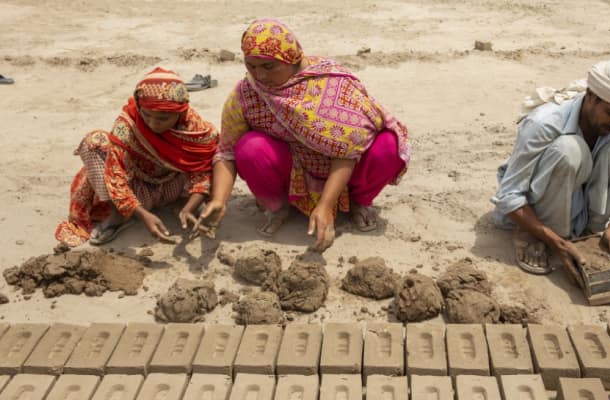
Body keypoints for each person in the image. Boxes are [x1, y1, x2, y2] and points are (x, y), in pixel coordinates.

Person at [199, 18, 410, 251]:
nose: (259, 76)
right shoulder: (246, 94)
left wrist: (326, 205)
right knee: (250, 148)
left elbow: (348, 149)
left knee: (389, 146)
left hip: (345, 171)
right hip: (293, 172)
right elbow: (226, 152)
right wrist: (219, 200)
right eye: (251, 66)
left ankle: (358, 203)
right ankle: (278, 206)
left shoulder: (330, 82)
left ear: (293, 59)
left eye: (269, 67)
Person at [491, 58, 610, 279]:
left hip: (586, 214)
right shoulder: (545, 122)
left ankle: (591, 234)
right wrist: (553, 240)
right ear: (591, 96)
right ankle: (540, 234)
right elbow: (509, 194)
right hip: (539, 210)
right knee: (569, 149)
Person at [55, 67, 219, 247]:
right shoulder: (128, 124)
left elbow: (202, 171)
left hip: (176, 185)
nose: (153, 123)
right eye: (146, 115)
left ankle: (185, 207)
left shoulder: (195, 129)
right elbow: (115, 176)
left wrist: (191, 206)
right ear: (139, 106)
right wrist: (142, 214)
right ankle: (119, 216)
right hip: (138, 188)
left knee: (217, 152)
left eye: (163, 118)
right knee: (94, 142)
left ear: (180, 112)